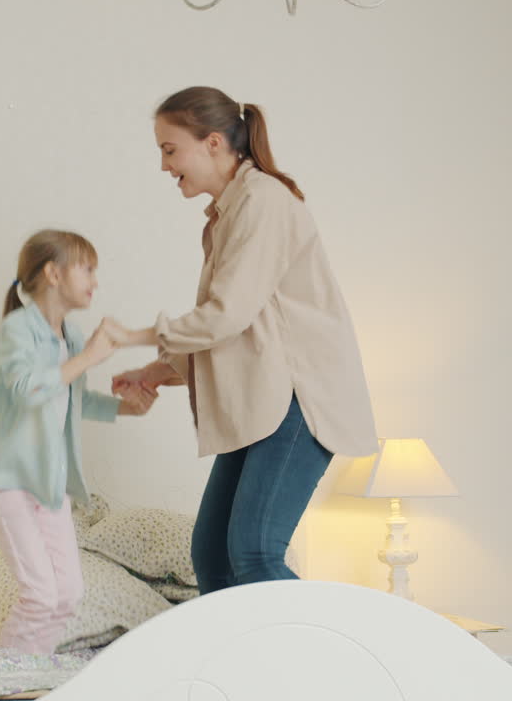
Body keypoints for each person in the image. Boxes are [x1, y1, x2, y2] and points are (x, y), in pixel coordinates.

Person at [106, 86, 377, 595]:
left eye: (170, 150)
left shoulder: (263, 201)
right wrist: (157, 372)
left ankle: (337, 660)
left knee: (253, 554)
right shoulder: (226, 216)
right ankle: (251, 674)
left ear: (212, 142)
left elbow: (224, 316)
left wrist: (134, 337)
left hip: (298, 400)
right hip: (261, 399)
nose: (164, 166)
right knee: (213, 556)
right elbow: (239, 330)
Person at [0, 229, 155, 654]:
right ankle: (7, 685)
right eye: (87, 269)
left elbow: (74, 397)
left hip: (49, 479)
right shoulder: (17, 330)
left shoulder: (68, 334)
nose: (95, 280)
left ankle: (32, 674)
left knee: (67, 595)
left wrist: (129, 408)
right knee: (40, 597)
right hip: (10, 477)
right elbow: (28, 389)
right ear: (52, 273)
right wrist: (90, 356)